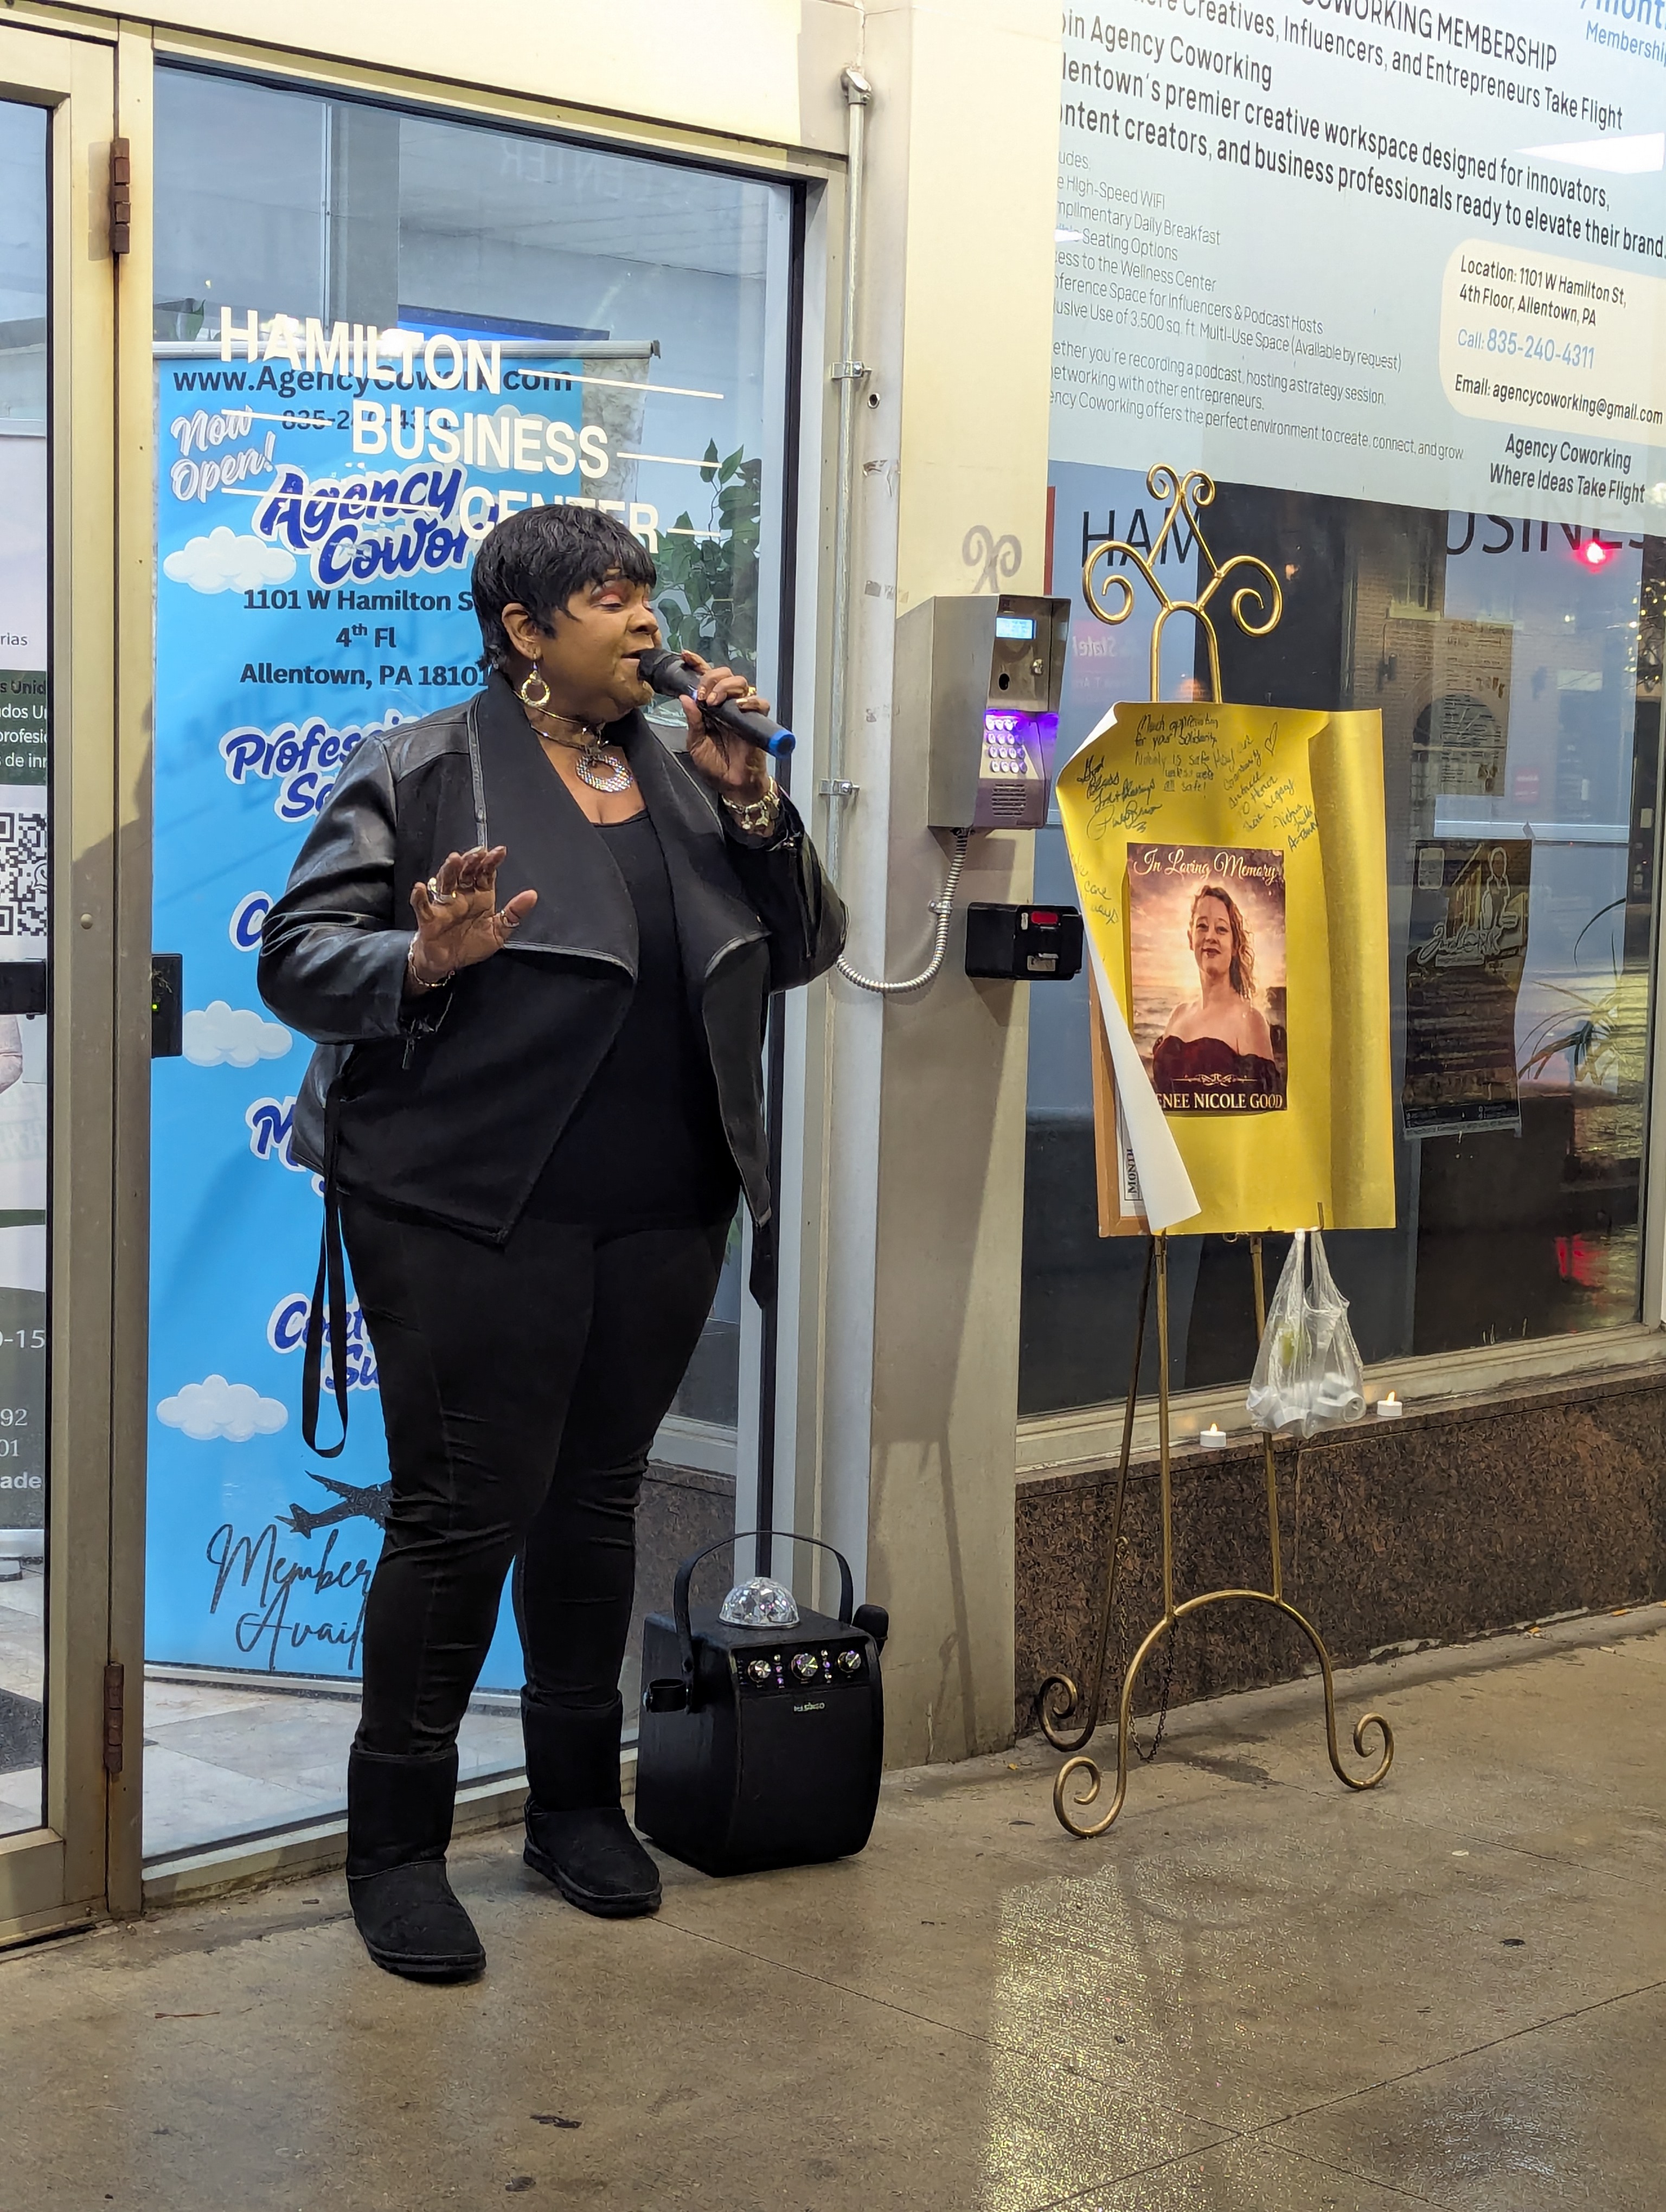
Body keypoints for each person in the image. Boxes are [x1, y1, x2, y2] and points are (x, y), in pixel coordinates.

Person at [258, 505, 844, 1982]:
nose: (645, 622)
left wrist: (760, 810)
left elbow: (810, 947)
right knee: (463, 1516)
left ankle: (579, 1806)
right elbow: (297, 959)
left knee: (594, 1505)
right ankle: (395, 1846)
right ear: (524, 628)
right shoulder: (419, 771)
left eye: (649, 593)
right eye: (606, 596)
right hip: (463, 1207)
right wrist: (422, 954)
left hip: (660, 1209)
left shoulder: (696, 776)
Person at [1151, 883, 1282, 1107]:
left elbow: (1264, 1115)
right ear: (1190, 938)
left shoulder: (1250, 1022)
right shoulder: (1178, 1015)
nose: (1211, 936)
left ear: (1234, 946)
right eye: (1202, 926)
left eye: (1221, 929)